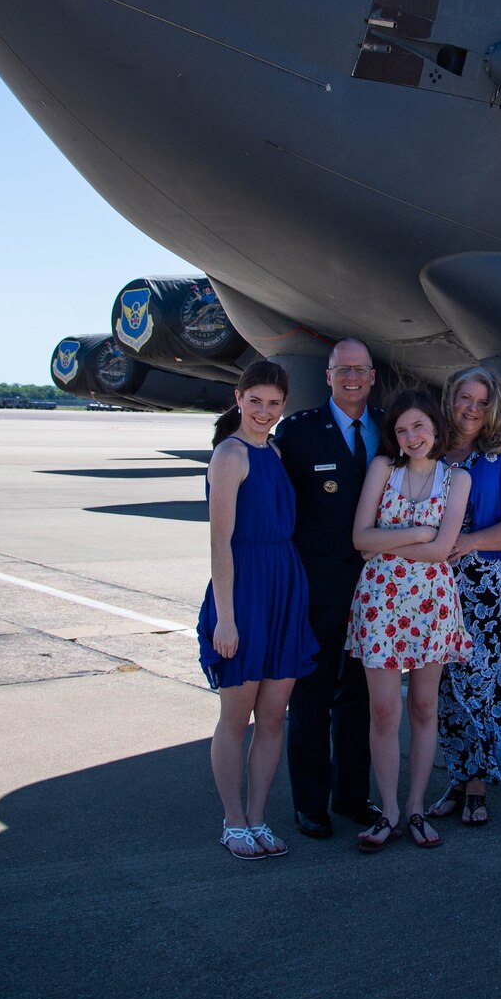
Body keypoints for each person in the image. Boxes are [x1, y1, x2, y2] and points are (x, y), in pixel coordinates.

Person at [197, 360, 319, 860]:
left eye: (273, 404)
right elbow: (220, 542)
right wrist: (226, 617)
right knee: (236, 715)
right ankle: (233, 821)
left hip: (284, 586)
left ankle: (258, 818)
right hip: (244, 589)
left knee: (273, 717)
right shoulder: (230, 454)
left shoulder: (274, 451)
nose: (263, 411)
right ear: (238, 397)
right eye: (255, 401)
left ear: (282, 406)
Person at [346, 388, 473, 851]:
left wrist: (390, 541)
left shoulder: (456, 479)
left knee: (423, 707)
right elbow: (360, 538)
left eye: (418, 426)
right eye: (402, 430)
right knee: (383, 710)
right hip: (380, 601)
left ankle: (416, 806)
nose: (411, 436)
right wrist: (419, 532)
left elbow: (443, 550)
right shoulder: (384, 469)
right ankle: (389, 811)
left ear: (435, 427)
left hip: (431, 602)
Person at [271, 339, 381, 838]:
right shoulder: (297, 432)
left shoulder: (389, 432)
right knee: (311, 699)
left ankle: (352, 796)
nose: (352, 378)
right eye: (343, 370)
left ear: (373, 376)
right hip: (316, 589)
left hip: (376, 590)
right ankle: (310, 803)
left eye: (360, 370)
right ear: (328, 375)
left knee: (359, 698)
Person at [429, 365, 501, 826]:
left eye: (481, 401)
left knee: (484, 688)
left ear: (493, 407)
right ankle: (457, 776)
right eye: (464, 398)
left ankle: (477, 784)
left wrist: (470, 542)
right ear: (450, 400)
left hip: (489, 591)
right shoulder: (429, 450)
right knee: (445, 691)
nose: (471, 409)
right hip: (434, 587)